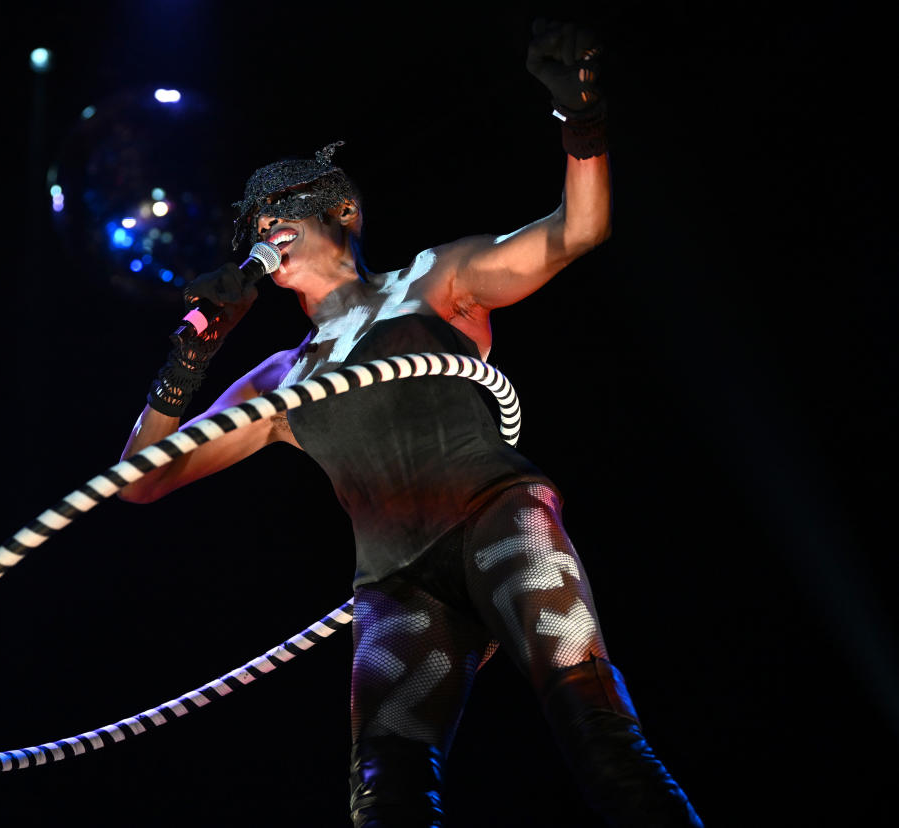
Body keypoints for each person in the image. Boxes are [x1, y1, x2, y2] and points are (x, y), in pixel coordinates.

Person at [118, 20, 703, 828]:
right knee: (384, 797)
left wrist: (582, 124)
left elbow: (580, 231)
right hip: (394, 586)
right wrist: (193, 356)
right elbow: (140, 478)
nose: (264, 228)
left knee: (594, 727)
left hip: (498, 521)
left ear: (343, 212)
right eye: (251, 222)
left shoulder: (435, 279)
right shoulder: (284, 377)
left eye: (280, 209)